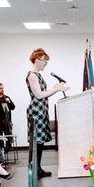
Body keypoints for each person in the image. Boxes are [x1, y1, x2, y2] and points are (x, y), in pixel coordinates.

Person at [26, 48, 69, 178]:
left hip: (42, 110)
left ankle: (38, 168)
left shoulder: (38, 75)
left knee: (40, 142)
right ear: (37, 60)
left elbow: (43, 95)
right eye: (45, 61)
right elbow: (39, 95)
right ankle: (36, 169)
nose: (46, 64)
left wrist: (56, 89)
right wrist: (56, 89)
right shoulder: (32, 75)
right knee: (37, 141)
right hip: (36, 111)